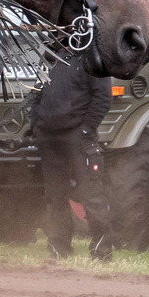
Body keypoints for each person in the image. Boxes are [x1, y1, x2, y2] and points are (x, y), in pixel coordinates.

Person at [31, 57, 115, 261]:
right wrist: (37, 126)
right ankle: (59, 250)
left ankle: (102, 252)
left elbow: (103, 98)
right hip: (49, 139)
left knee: (91, 195)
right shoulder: (48, 58)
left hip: (78, 139)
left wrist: (85, 130)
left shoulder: (91, 58)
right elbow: (35, 95)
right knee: (55, 197)